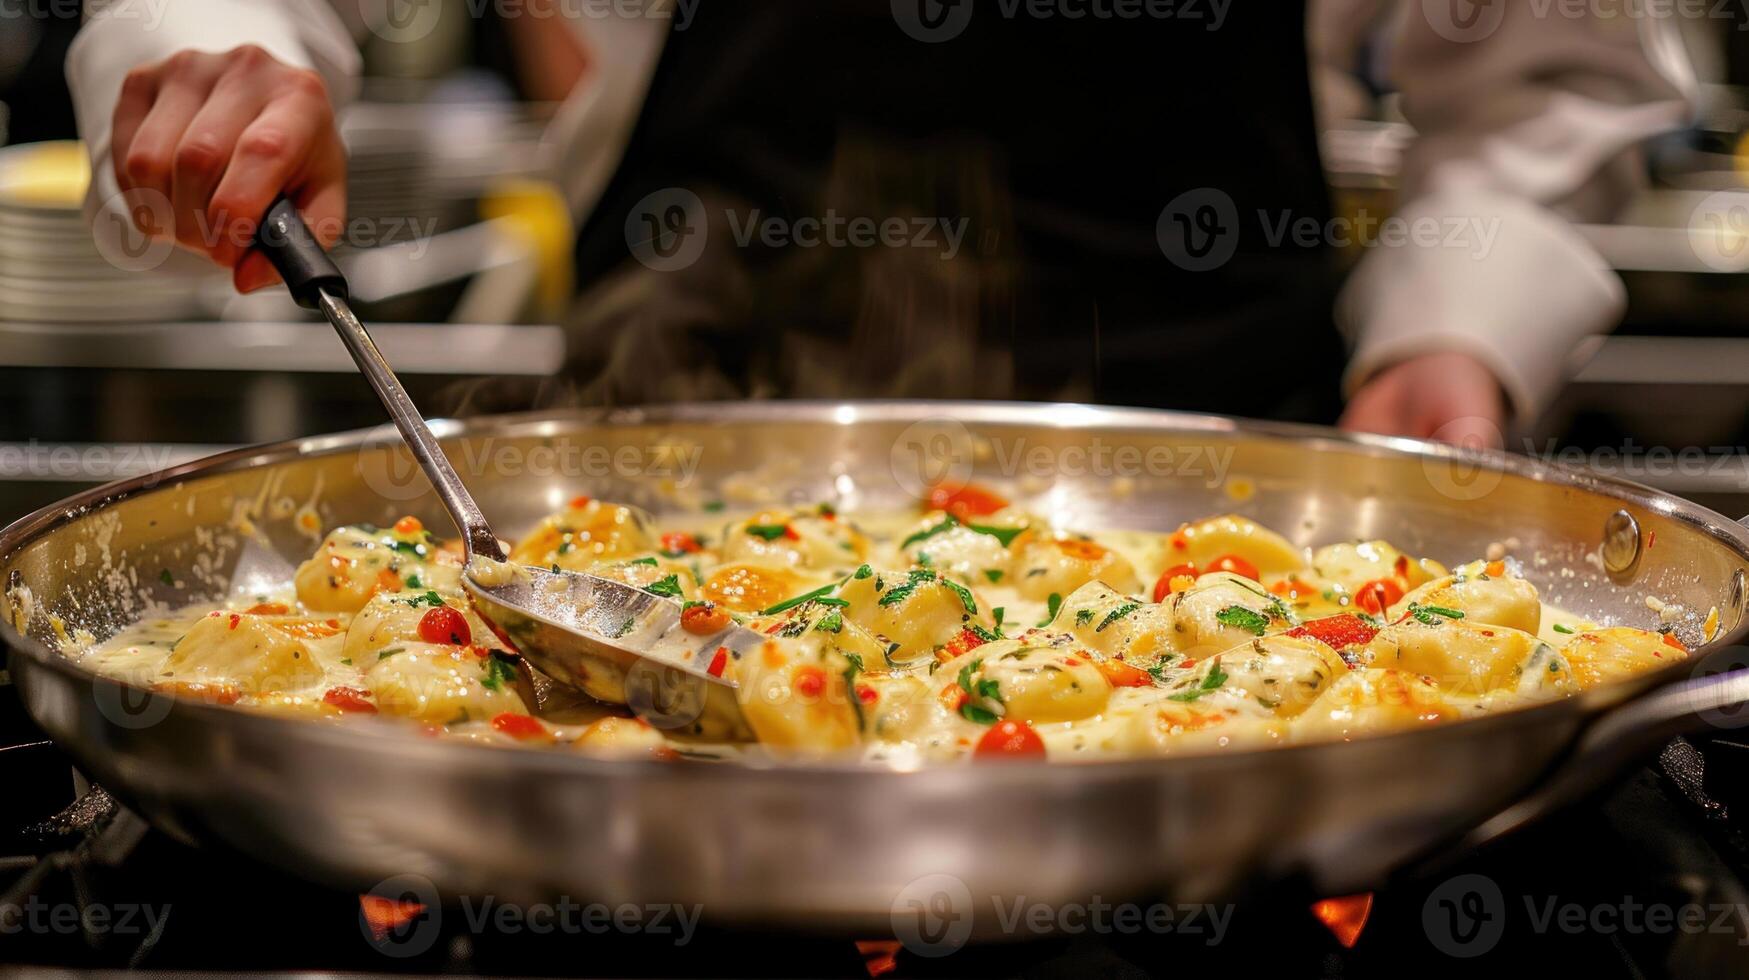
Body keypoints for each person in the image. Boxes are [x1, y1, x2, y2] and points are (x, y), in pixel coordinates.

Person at [65, 1, 1695, 443]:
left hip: (1230, 488)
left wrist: (1452, 340)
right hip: (647, 457)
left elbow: (1548, 71)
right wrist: (214, 47)